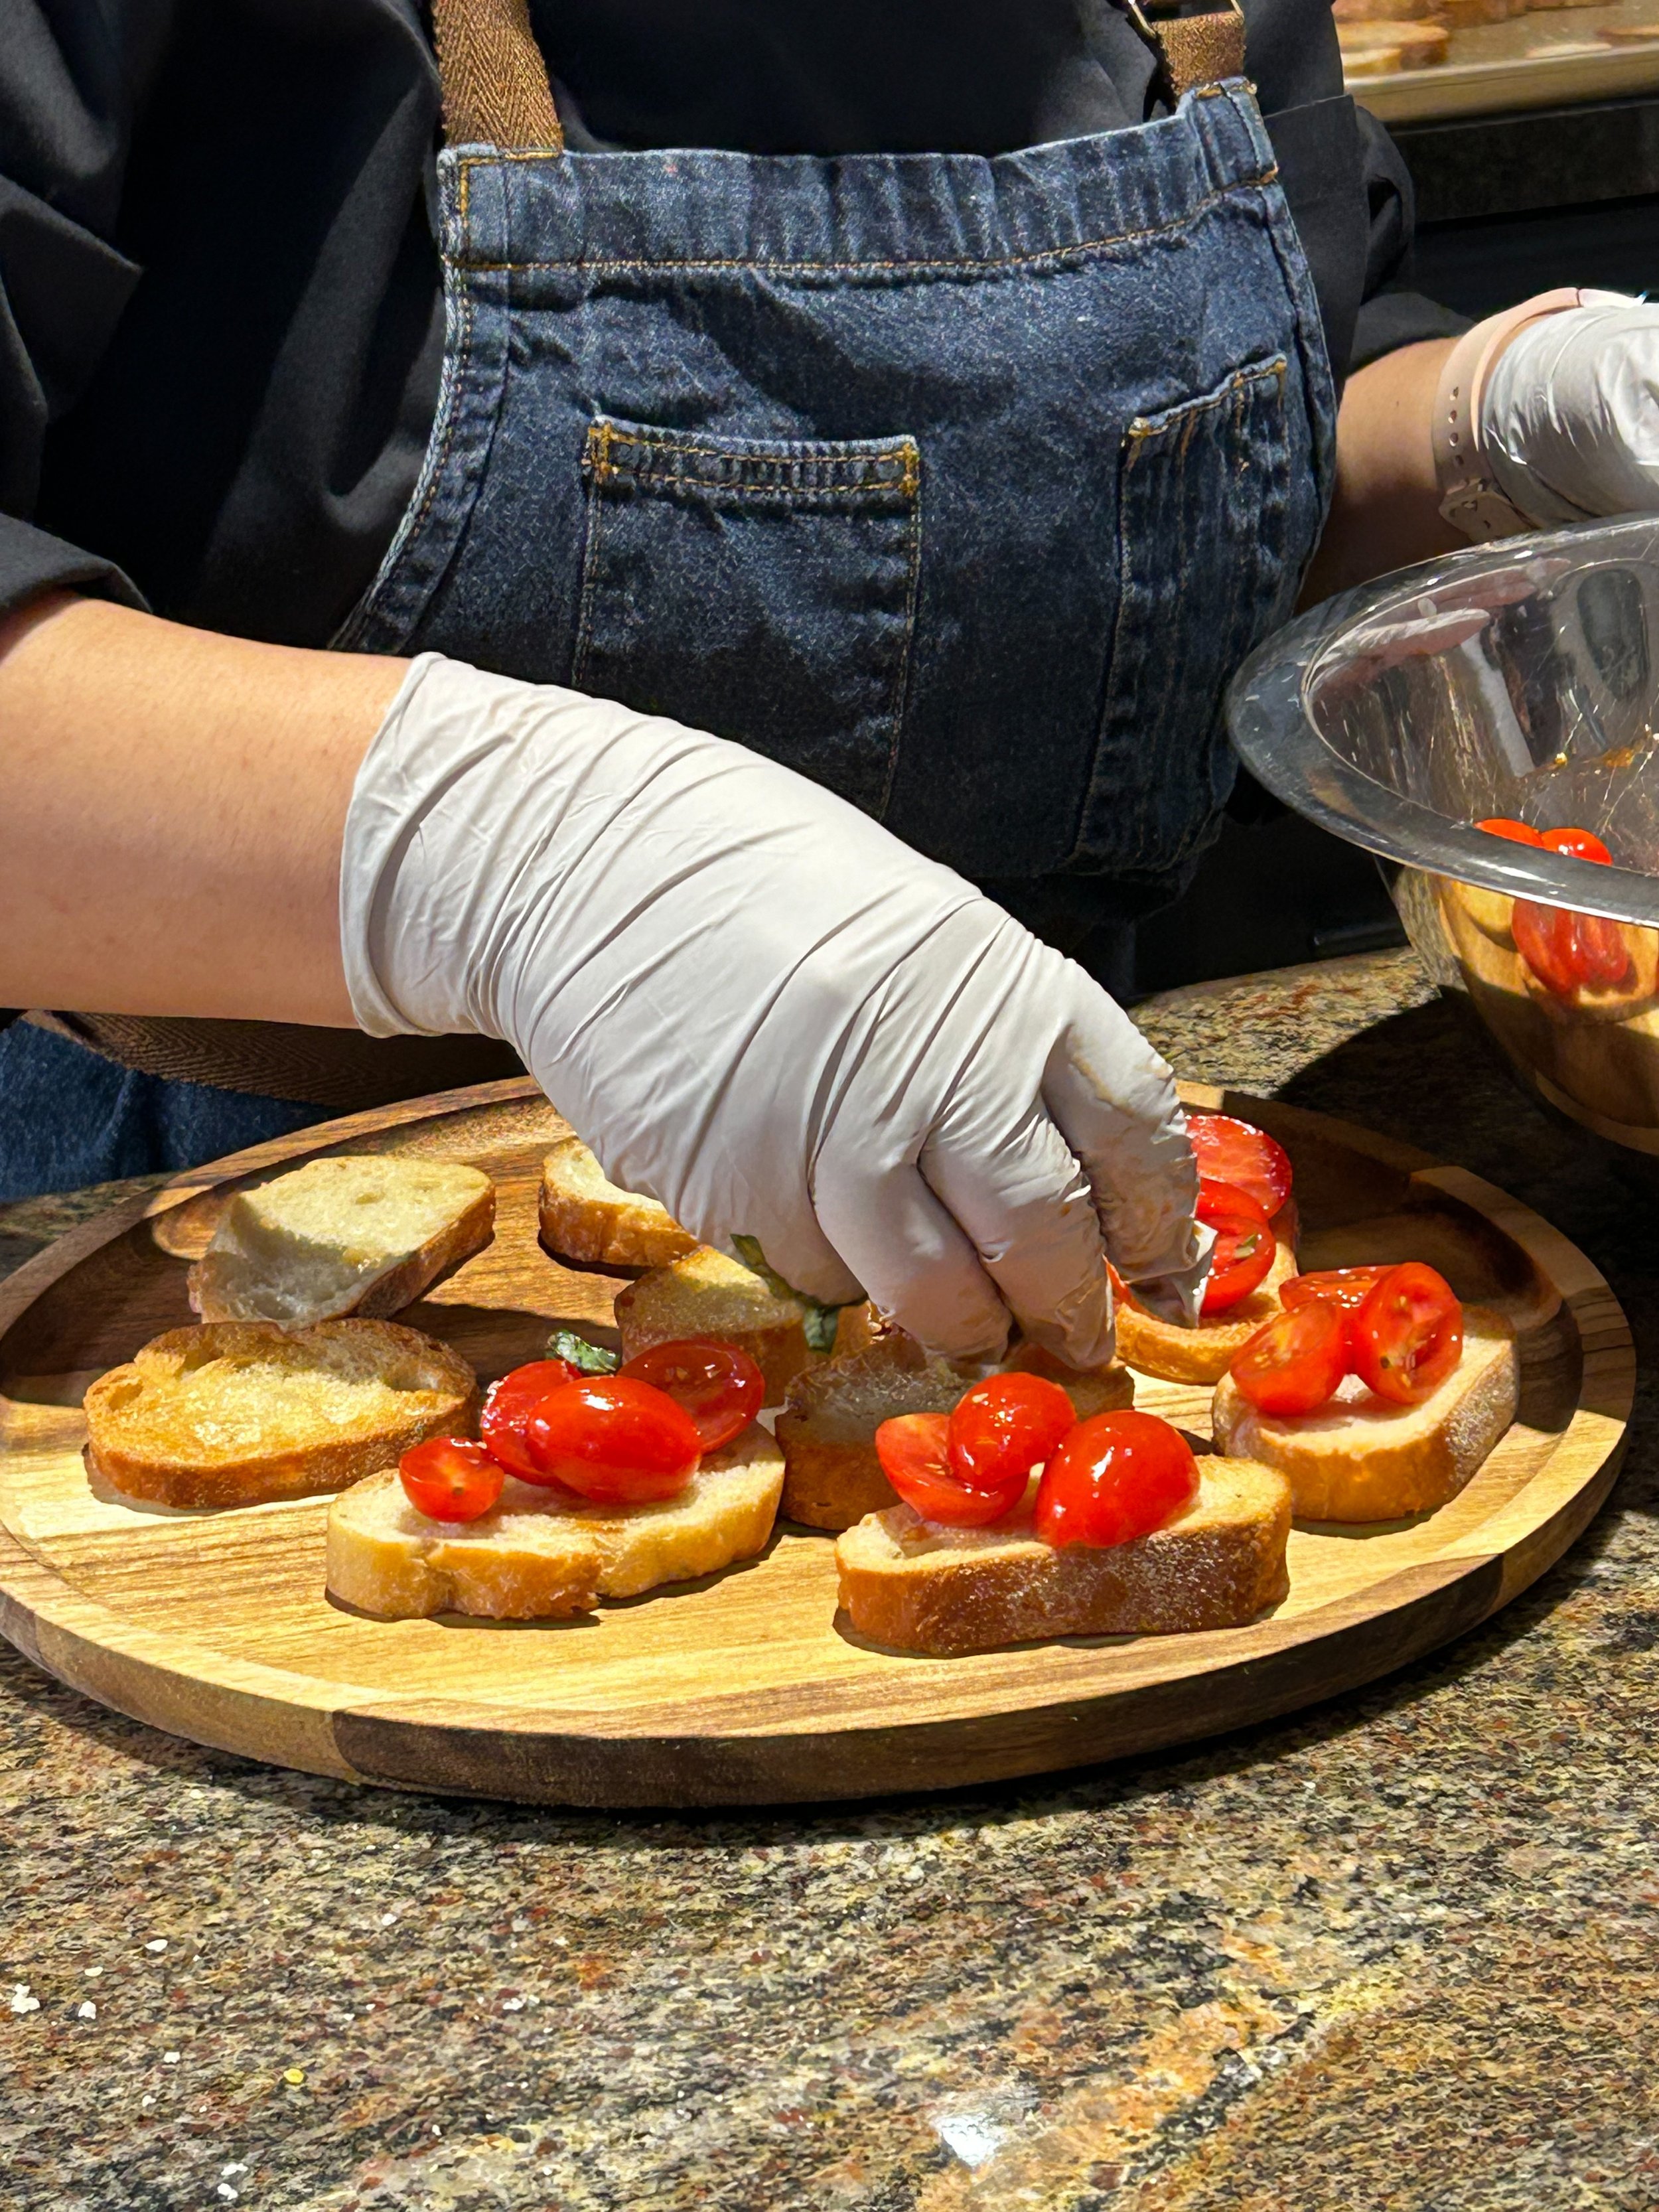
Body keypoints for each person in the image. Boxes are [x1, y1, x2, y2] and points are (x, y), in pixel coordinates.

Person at [2, 0, 1656, 1363]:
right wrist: (503, 852)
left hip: (1074, 1186)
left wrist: (1478, 431)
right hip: (234, 1225)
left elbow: (1207, 484)